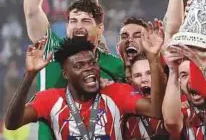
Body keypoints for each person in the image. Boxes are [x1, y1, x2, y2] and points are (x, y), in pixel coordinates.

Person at [23, 0, 125, 139]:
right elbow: (32, 10)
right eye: (73, 21)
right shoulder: (52, 52)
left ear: (99, 29)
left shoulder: (115, 66)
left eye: (85, 22)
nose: (78, 26)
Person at [5, 36, 165, 140]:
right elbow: (12, 123)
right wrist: (29, 75)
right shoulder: (49, 99)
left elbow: (156, 111)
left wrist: (153, 60)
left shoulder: (117, 93)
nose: (89, 68)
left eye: (91, 63)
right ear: (66, 74)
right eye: (79, 65)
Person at [122, 53, 170, 139]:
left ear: (163, 77)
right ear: (131, 81)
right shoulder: (126, 116)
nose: (144, 79)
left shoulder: (181, 105)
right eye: (138, 75)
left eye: (149, 73)